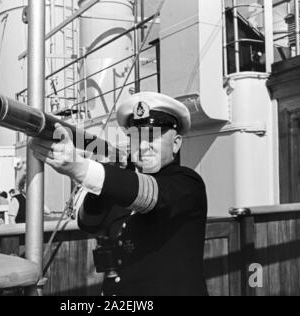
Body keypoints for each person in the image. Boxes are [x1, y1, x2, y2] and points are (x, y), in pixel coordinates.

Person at [30, 91, 208, 296]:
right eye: (135, 138)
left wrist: (80, 168)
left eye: (152, 137)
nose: (142, 147)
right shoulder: (125, 184)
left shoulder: (187, 183)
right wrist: (112, 169)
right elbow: (87, 221)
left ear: (176, 143)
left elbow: (149, 195)